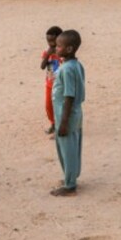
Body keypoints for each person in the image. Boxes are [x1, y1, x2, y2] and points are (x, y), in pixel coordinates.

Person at [50, 30, 86, 197]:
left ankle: (70, 184)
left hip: (67, 115)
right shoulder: (77, 65)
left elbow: (69, 96)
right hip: (75, 113)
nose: (56, 49)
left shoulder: (67, 69)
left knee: (67, 148)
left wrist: (63, 122)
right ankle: (70, 176)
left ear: (69, 49)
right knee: (74, 146)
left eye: (59, 46)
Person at [41, 26, 63, 136]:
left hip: (60, 86)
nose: (50, 43)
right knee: (48, 106)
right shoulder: (47, 51)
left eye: (52, 41)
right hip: (49, 84)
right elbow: (42, 66)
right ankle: (53, 124)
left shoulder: (63, 53)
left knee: (59, 107)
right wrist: (48, 54)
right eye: (48, 41)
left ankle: (60, 128)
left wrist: (58, 54)